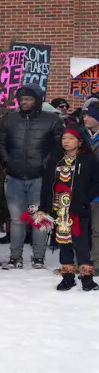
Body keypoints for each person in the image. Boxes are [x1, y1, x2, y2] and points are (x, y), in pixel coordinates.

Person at [0, 84, 64, 269]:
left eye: (28, 99)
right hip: (14, 176)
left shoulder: (52, 120)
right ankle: (15, 257)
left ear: (38, 100)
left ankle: (38, 257)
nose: (24, 102)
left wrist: (46, 164)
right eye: (22, 99)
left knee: (39, 218)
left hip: (40, 178)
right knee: (16, 219)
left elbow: (59, 145)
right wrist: (7, 162)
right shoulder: (10, 120)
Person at [38, 126, 99, 291]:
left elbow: (96, 182)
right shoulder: (55, 159)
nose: (66, 141)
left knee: (81, 245)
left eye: (71, 138)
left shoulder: (88, 159)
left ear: (80, 142)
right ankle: (68, 277)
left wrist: (85, 198)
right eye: (64, 138)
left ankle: (87, 279)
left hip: (79, 209)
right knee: (64, 243)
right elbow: (46, 185)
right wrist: (44, 207)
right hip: (60, 209)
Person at [81, 104, 99, 268]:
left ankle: (96, 262)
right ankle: (82, 261)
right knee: (81, 229)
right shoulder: (81, 135)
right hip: (83, 189)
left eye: (89, 116)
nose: (85, 118)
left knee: (97, 230)